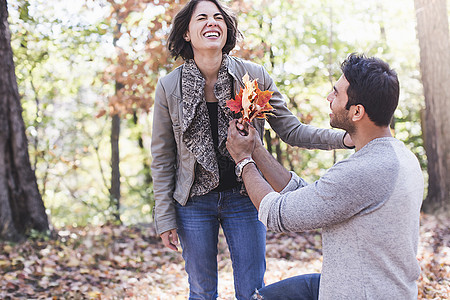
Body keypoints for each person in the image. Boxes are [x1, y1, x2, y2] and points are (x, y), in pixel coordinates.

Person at [151, 0, 353, 298]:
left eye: (219, 17)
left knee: (253, 292)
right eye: (202, 18)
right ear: (186, 33)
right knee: (202, 291)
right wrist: (164, 217)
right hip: (193, 202)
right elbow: (162, 158)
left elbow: (292, 131)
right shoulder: (168, 87)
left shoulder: (253, 76)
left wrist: (346, 139)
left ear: (227, 28)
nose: (212, 22)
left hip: (246, 198)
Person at [226, 53, 424, 300]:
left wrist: (243, 160)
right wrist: (256, 148)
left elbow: (277, 214)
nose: (329, 98)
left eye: (336, 93)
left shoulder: (363, 171)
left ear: (357, 111)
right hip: (378, 287)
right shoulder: (400, 157)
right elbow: (317, 198)